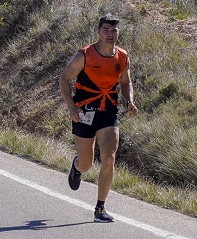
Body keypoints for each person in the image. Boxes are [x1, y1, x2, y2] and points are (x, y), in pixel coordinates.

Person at [59, 14, 138, 223]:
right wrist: (72, 107)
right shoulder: (84, 55)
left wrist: (129, 101)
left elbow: (125, 82)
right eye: (106, 30)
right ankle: (77, 166)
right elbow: (64, 79)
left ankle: (100, 208)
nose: (110, 35)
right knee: (86, 164)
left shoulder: (122, 57)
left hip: (108, 112)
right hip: (83, 112)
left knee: (109, 157)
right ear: (98, 32)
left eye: (114, 31)